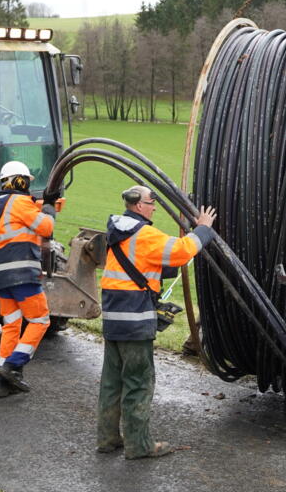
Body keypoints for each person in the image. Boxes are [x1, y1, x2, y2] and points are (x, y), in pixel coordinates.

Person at [97, 186, 216, 459]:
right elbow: (183, 252)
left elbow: (159, 264)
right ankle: (139, 446)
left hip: (114, 320)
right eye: (151, 203)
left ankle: (107, 438)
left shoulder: (118, 231)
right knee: (138, 383)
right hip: (135, 322)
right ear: (139, 206)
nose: (153, 208)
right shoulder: (145, 234)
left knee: (112, 382)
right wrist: (203, 228)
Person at [0, 161, 57, 398]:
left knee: (11, 326)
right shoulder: (20, 203)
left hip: (2, 276)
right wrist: (49, 209)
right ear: (20, 181)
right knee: (40, 320)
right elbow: (45, 228)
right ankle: (13, 366)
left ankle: (3, 384)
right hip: (23, 274)